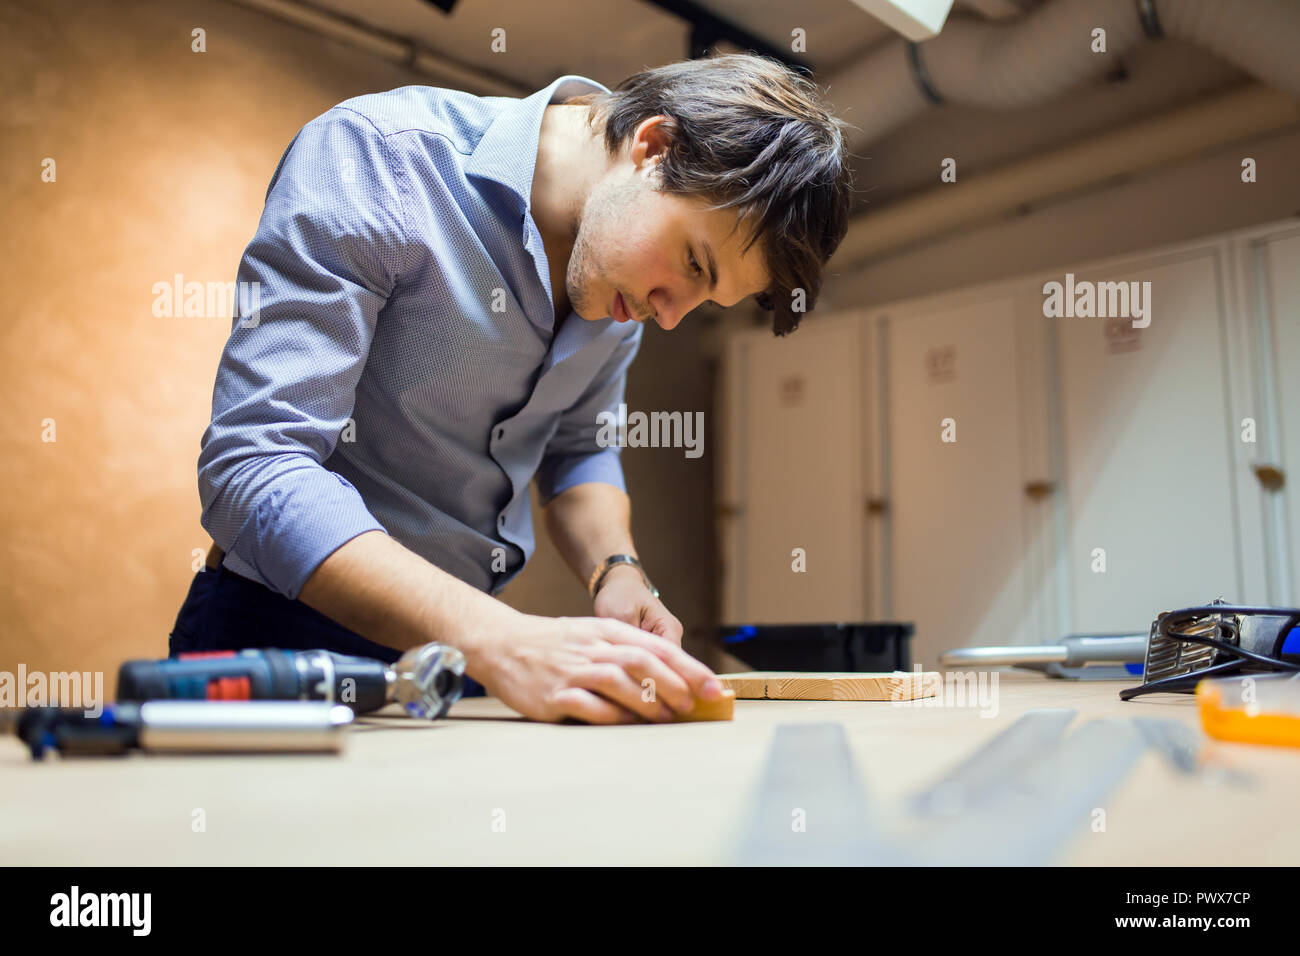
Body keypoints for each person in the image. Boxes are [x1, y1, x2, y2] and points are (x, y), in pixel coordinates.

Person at [169, 52, 853, 723]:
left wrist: (616, 570)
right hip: (282, 640)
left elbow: (579, 449)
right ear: (654, 146)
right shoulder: (380, 156)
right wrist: (502, 638)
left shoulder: (621, 285)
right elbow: (254, 467)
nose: (671, 316)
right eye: (694, 264)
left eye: (705, 300)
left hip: (462, 664)